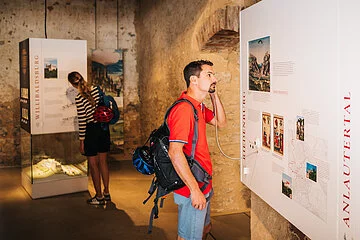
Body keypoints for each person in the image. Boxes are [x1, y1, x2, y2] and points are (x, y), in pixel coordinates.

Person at [167, 60, 226, 240]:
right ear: (193, 80)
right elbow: (174, 152)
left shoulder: (197, 106)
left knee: (204, 228)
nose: (214, 78)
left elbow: (220, 123)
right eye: (209, 75)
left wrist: (214, 95)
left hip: (204, 181)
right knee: (188, 237)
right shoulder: (184, 109)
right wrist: (194, 190)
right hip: (192, 187)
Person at [68, 71, 111, 205]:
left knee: (93, 164)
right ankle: (107, 192)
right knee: (103, 162)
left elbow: (82, 121)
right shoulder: (97, 90)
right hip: (103, 129)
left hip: (91, 131)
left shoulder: (79, 98)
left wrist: (82, 142)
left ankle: (98, 197)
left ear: (72, 84)